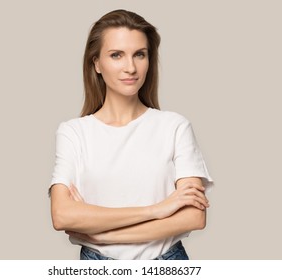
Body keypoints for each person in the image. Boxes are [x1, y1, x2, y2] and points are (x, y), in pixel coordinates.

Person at [49, 9, 213, 260]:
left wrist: (105, 235)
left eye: (140, 54)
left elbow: (194, 216)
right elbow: (63, 216)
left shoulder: (174, 126)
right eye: (116, 55)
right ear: (96, 64)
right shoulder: (74, 132)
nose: (130, 67)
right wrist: (157, 210)